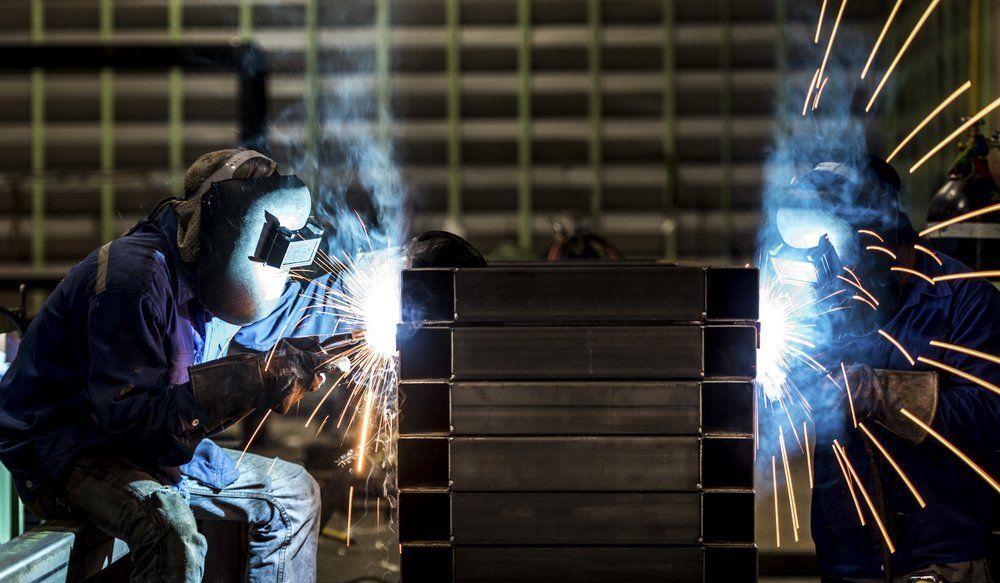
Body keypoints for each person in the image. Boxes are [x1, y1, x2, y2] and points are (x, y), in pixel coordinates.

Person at [0, 149, 346, 582]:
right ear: (220, 228)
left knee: (294, 493)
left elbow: (296, 311)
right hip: (71, 449)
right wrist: (254, 379)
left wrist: (389, 279)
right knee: (172, 532)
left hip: (160, 443)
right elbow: (132, 427)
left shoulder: (220, 281)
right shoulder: (135, 282)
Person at [775, 156, 1000, 582]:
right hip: (848, 563)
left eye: (833, 255)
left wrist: (878, 392)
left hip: (941, 564)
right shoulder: (822, 301)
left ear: (876, 237)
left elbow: (989, 416)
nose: (826, 279)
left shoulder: (965, 300)